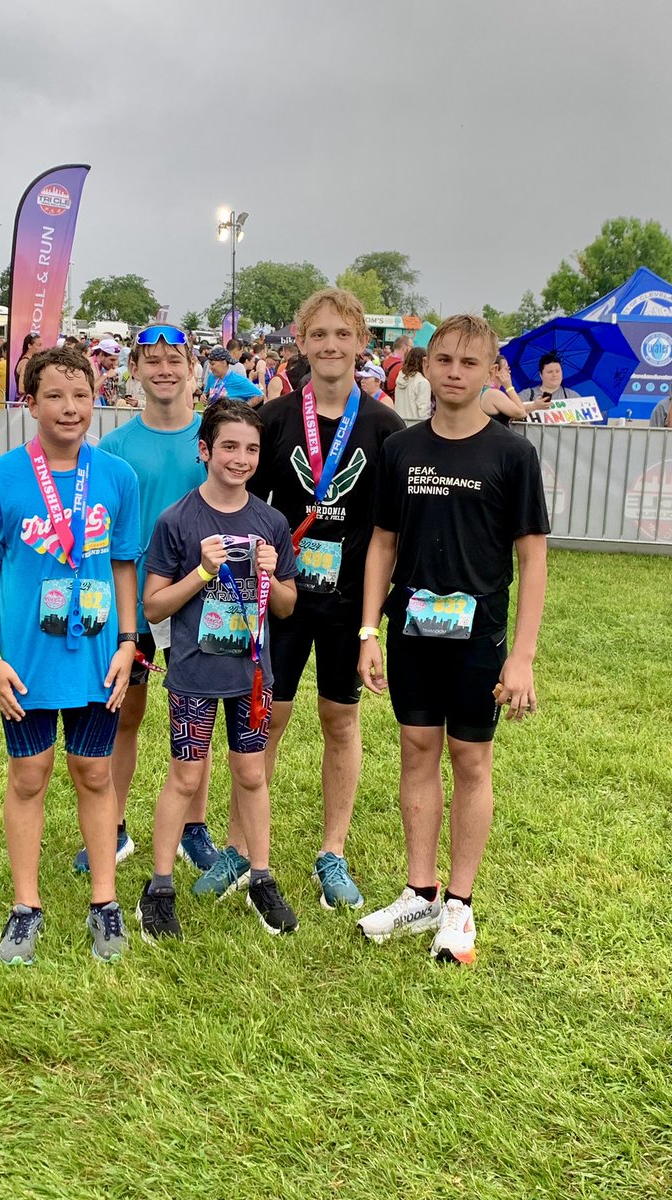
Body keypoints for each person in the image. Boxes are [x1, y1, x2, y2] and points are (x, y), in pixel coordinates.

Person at [356, 314, 549, 964]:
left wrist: (521, 656)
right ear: (427, 366)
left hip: (479, 640)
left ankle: (460, 907)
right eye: (444, 361)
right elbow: (382, 544)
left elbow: (534, 559)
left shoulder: (511, 455)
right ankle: (421, 891)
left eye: (470, 363)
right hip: (412, 633)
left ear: (491, 370)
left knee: (470, 762)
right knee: (415, 750)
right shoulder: (402, 450)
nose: (455, 373)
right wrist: (368, 630)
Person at [208, 286, 404, 912]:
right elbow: (244, 502)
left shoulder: (384, 426)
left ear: (360, 344)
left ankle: (333, 853)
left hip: (348, 603)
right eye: (318, 335)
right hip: (282, 596)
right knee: (266, 718)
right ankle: (240, 847)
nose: (330, 346)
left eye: (342, 335)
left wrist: (376, 620)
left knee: (340, 720)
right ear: (300, 341)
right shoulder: (275, 418)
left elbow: (387, 532)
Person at [0, 345, 141, 965]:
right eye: (55, 396)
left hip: (97, 660)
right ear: (29, 403)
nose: (70, 408)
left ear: (97, 399)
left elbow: (124, 565)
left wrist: (128, 644)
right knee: (29, 774)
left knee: (95, 772)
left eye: (82, 395)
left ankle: (104, 903)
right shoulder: (0, 479)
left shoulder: (117, 478)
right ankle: (25, 906)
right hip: (27, 664)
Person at [137, 400, 299, 940]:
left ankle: (260, 877)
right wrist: (203, 571)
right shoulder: (178, 520)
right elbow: (154, 606)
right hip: (193, 674)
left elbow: (285, 607)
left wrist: (273, 578)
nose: (241, 458)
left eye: (251, 449)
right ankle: (159, 888)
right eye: (229, 446)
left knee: (252, 774)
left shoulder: (270, 522)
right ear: (205, 450)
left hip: (251, 677)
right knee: (185, 776)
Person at [73, 323, 215, 876]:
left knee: (196, 719)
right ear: (133, 370)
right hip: (131, 601)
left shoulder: (211, 436)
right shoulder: (115, 447)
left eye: (174, 360)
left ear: (191, 370)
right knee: (124, 714)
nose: (163, 370)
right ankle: (114, 825)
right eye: (151, 360)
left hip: (200, 599)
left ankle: (193, 827)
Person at [481, 354, 527, 425]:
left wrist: (535, 406)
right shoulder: (493, 394)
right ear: (495, 370)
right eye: (506, 369)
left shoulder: (487, 390)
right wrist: (509, 387)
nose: (509, 372)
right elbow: (521, 413)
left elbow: (514, 407)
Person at [393, 345, 431, 423]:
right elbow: (424, 411)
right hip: (414, 425)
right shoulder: (422, 382)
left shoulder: (400, 378)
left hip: (399, 423)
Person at [381, 335, 412, 401]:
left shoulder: (385, 361)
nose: (412, 351)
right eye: (411, 347)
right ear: (405, 348)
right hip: (395, 403)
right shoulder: (402, 367)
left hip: (384, 399)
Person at [14, 333, 43, 399]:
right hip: (24, 403)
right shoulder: (25, 362)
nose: (41, 348)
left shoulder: (30, 361)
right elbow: (21, 389)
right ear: (29, 345)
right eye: (39, 345)